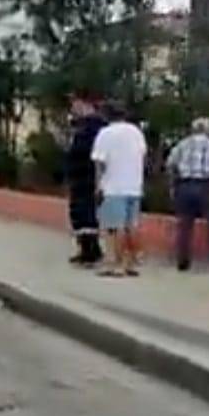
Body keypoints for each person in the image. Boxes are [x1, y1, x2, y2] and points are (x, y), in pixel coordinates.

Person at [166, 117, 209, 272]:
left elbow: (170, 165)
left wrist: (172, 187)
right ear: (207, 129)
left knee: (184, 225)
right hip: (206, 186)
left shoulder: (182, 144)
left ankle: (182, 260)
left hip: (184, 185)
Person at [91, 102, 147, 278]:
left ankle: (115, 264)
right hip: (134, 185)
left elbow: (100, 162)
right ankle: (131, 263)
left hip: (113, 187)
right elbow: (143, 156)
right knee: (132, 226)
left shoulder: (105, 134)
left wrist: (98, 185)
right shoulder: (136, 132)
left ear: (107, 116)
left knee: (114, 228)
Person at [66, 94, 107, 267]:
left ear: (85, 104)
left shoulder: (94, 127)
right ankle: (86, 248)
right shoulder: (82, 126)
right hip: (79, 176)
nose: (72, 109)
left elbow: (91, 154)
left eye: (75, 105)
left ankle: (90, 251)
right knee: (79, 213)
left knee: (85, 213)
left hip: (87, 176)